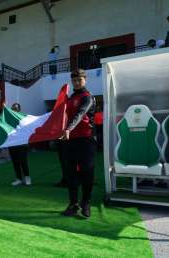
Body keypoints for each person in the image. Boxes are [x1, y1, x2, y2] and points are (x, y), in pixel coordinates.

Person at [60, 68, 96, 218]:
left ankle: (86, 202)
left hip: (86, 140)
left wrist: (68, 128)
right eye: (74, 80)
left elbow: (80, 114)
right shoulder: (69, 98)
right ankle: (73, 204)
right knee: (70, 174)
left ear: (85, 80)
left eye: (79, 80)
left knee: (87, 172)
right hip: (70, 141)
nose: (76, 82)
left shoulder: (88, 97)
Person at [7, 103, 31, 186]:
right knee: (15, 162)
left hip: (22, 145)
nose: (14, 110)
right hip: (12, 145)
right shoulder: (9, 120)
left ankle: (27, 178)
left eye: (16, 109)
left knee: (23, 161)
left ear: (19, 110)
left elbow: (27, 130)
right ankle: (19, 179)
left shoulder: (23, 119)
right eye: (13, 109)